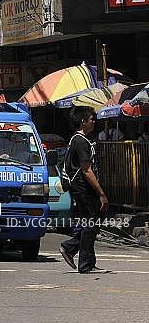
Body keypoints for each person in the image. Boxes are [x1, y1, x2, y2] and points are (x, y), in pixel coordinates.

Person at [60, 106, 110, 274]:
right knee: (91, 223)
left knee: (92, 223)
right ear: (83, 121)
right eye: (91, 119)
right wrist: (101, 193)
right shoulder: (80, 141)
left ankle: (76, 252)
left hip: (81, 189)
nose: (93, 122)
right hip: (83, 188)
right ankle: (84, 262)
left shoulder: (78, 139)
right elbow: (86, 169)